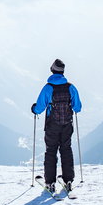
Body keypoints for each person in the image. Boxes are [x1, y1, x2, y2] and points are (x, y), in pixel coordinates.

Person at [31, 59, 82, 193]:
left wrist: (34, 109)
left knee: (51, 152)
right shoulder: (71, 87)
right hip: (67, 125)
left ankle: (50, 183)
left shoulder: (48, 88)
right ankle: (68, 180)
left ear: (52, 71)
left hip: (52, 126)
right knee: (66, 150)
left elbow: (40, 107)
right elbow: (78, 107)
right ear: (63, 72)